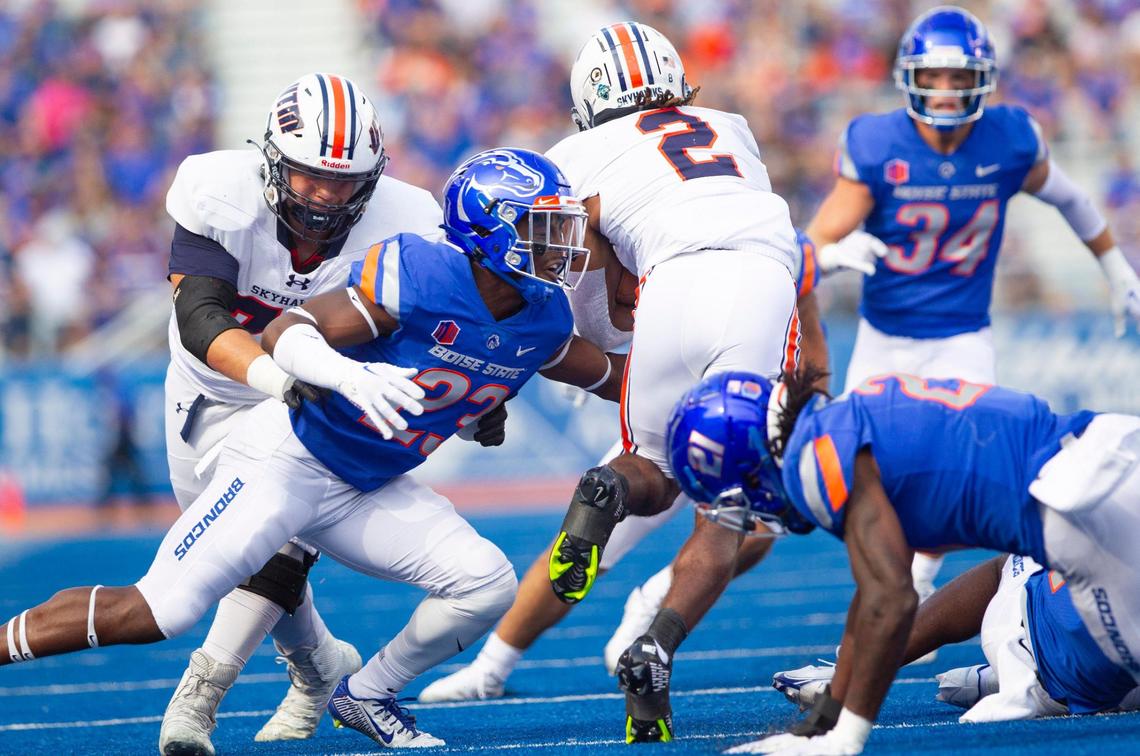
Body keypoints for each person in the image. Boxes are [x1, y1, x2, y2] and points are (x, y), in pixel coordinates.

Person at [0, 148, 625, 751]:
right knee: (159, 611)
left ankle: (367, 695)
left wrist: (693, 373)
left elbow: (603, 375)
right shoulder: (421, 272)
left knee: (485, 583)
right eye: (538, 226)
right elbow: (284, 328)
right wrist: (344, 375)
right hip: (289, 459)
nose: (560, 244)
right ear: (489, 230)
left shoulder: (543, 317)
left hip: (370, 485)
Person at [418, 226, 877, 702]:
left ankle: (655, 599)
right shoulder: (669, 237)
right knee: (585, 543)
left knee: (752, 529)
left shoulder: (772, 247)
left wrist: (806, 410)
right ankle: (491, 667)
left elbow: (812, 344)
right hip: (675, 414)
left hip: (745, 427)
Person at [803, 5, 1140, 604]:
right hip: (886, 336)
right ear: (910, 75)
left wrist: (1115, 266)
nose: (945, 90)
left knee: (959, 478)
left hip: (962, 335)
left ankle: (911, 588)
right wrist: (829, 254)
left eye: (959, 77)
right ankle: (893, 586)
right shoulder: (877, 142)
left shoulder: (1010, 138)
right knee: (856, 477)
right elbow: (817, 239)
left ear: (982, 78)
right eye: (933, 76)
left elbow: (1070, 198)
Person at [159, 73, 445, 755]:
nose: (324, 193)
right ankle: (319, 665)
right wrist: (274, 376)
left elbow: (436, 319)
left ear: (372, 179)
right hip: (213, 392)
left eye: (343, 181)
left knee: (272, 541)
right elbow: (200, 315)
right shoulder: (216, 189)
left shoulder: (407, 220)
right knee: (237, 555)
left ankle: (199, 696)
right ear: (272, 161)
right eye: (310, 175)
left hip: (315, 401)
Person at [664, 368, 1140, 754]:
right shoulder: (850, 411)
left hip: (1085, 521)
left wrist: (844, 736)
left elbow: (889, 598)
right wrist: (825, 715)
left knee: (1071, 672)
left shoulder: (815, 458)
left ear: (750, 465)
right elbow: (869, 598)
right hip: (1108, 450)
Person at [777, 554, 1140, 722]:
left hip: (1050, 642)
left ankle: (859, 670)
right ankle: (1017, 677)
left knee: (1015, 559)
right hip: (1113, 688)